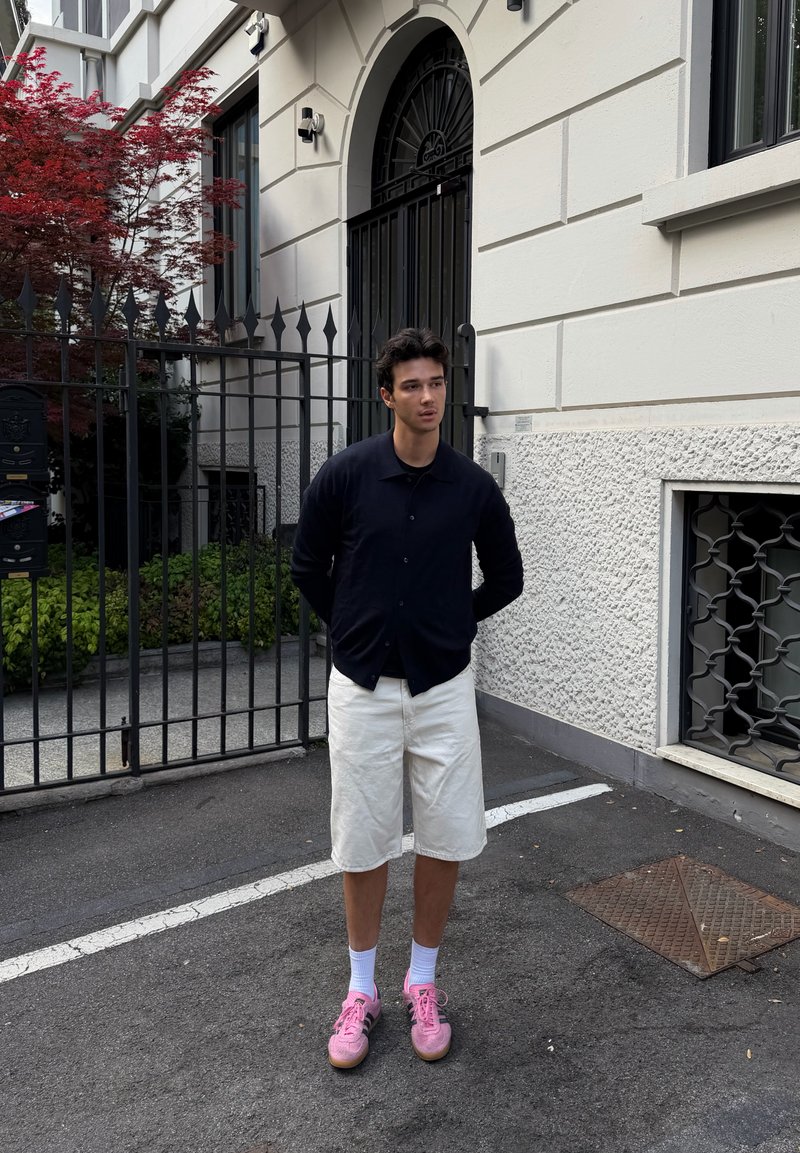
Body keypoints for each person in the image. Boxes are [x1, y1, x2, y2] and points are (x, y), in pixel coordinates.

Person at [291, 328, 523, 1069]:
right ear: (386, 394)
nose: (428, 398)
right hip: (362, 685)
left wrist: (451, 622)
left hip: (444, 686)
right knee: (362, 836)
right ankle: (360, 991)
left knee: (448, 834)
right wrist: (358, 625)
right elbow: (308, 565)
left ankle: (422, 978)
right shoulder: (347, 475)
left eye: (436, 384)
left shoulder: (472, 487)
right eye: (412, 385)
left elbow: (508, 577)